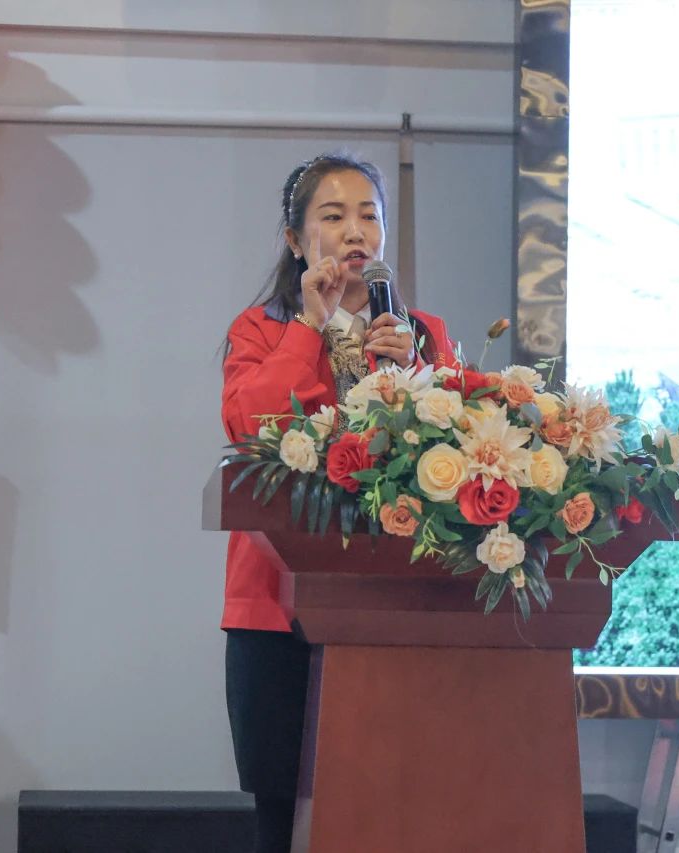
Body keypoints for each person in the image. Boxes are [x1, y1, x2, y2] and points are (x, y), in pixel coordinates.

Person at [219, 151, 459, 853]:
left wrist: (414, 372)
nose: (356, 232)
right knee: (284, 819)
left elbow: (458, 448)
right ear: (296, 241)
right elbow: (251, 425)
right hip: (276, 610)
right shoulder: (262, 329)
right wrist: (311, 327)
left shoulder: (422, 333)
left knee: (392, 813)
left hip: (398, 605)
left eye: (369, 216)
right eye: (334, 216)